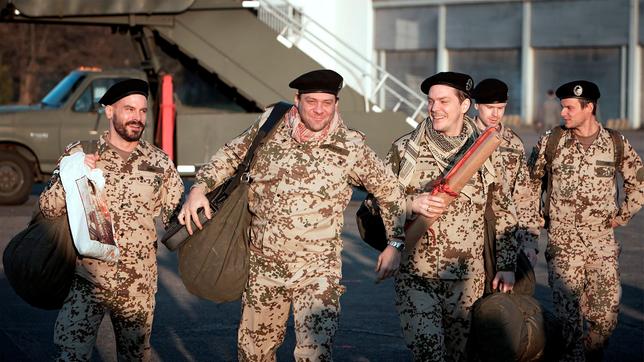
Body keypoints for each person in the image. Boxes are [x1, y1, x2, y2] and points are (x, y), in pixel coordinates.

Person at [178, 69, 406, 361]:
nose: (320, 109)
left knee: (314, 354)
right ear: (296, 99)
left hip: (318, 271)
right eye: (312, 101)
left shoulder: (351, 147)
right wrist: (198, 189)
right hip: (264, 266)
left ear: (336, 103)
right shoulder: (269, 128)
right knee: (253, 353)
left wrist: (395, 243)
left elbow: (390, 192)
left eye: (327, 102)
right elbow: (229, 157)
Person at [39, 79, 184, 360]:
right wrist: (73, 176)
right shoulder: (80, 153)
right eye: (129, 109)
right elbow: (47, 207)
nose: (137, 118)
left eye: (143, 111)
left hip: (137, 286)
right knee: (71, 356)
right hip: (86, 280)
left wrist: (204, 201)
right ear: (109, 111)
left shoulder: (160, 162)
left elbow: (175, 219)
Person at [387, 72, 518, 361]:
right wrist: (411, 203)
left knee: (461, 354)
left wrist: (507, 264)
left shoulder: (486, 152)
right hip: (416, 275)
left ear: (465, 105)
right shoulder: (404, 149)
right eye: (431, 101)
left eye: (443, 101)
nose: (434, 108)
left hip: (466, 279)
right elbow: (379, 203)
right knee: (429, 353)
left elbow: (503, 210)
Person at [527, 80, 644, 361]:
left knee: (606, 315)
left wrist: (622, 216)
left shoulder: (615, 143)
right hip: (562, 242)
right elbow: (530, 184)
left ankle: (586, 352)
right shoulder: (552, 140)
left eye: (569, 107)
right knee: (569, 319)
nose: (563, 113)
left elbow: (638, 182)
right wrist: (535, 221)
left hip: (601, 242)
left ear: (589, 107)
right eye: (562, 107)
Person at [471, 78, 539, 267]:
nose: (495, 114)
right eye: (489, 107)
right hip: (466, 231)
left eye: (501, 108)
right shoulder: (462, 137)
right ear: (476, 105)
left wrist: (529, 242)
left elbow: (523, 195)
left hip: (503, 232)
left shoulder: (513, 142)